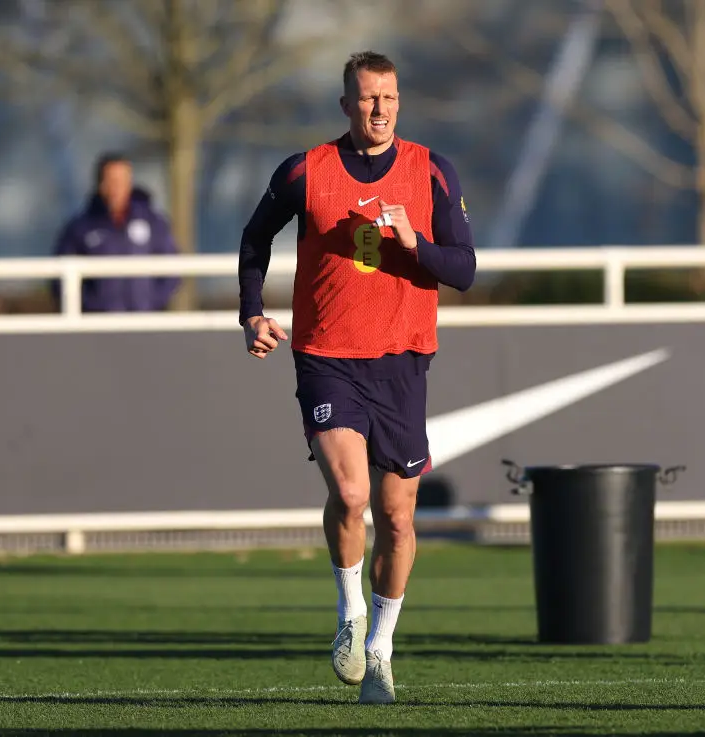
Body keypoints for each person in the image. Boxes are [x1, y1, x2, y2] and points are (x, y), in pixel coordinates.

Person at [236, 51, 475, 703]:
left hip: (401, 358)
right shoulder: (305, 171)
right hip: (327, 355)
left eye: (390, 98)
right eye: (368, 98)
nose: (379, 109)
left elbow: (463, 268)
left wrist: (412, 245)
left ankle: (382, 650)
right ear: (346, 104)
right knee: (349, 493)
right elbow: (255, 239)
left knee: (397, 515)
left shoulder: (431, 171)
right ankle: (349, 613)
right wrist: (251, 312)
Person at [53, 152, 180, 312]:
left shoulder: (153, 222)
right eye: (111, 181)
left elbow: (172, 268)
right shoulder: (81, 228)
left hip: (144, 321)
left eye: (122, 181)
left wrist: (152, 302)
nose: (116, 188)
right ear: (101, 184)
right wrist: (92, 306)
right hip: (99, 325)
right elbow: (61, 277)